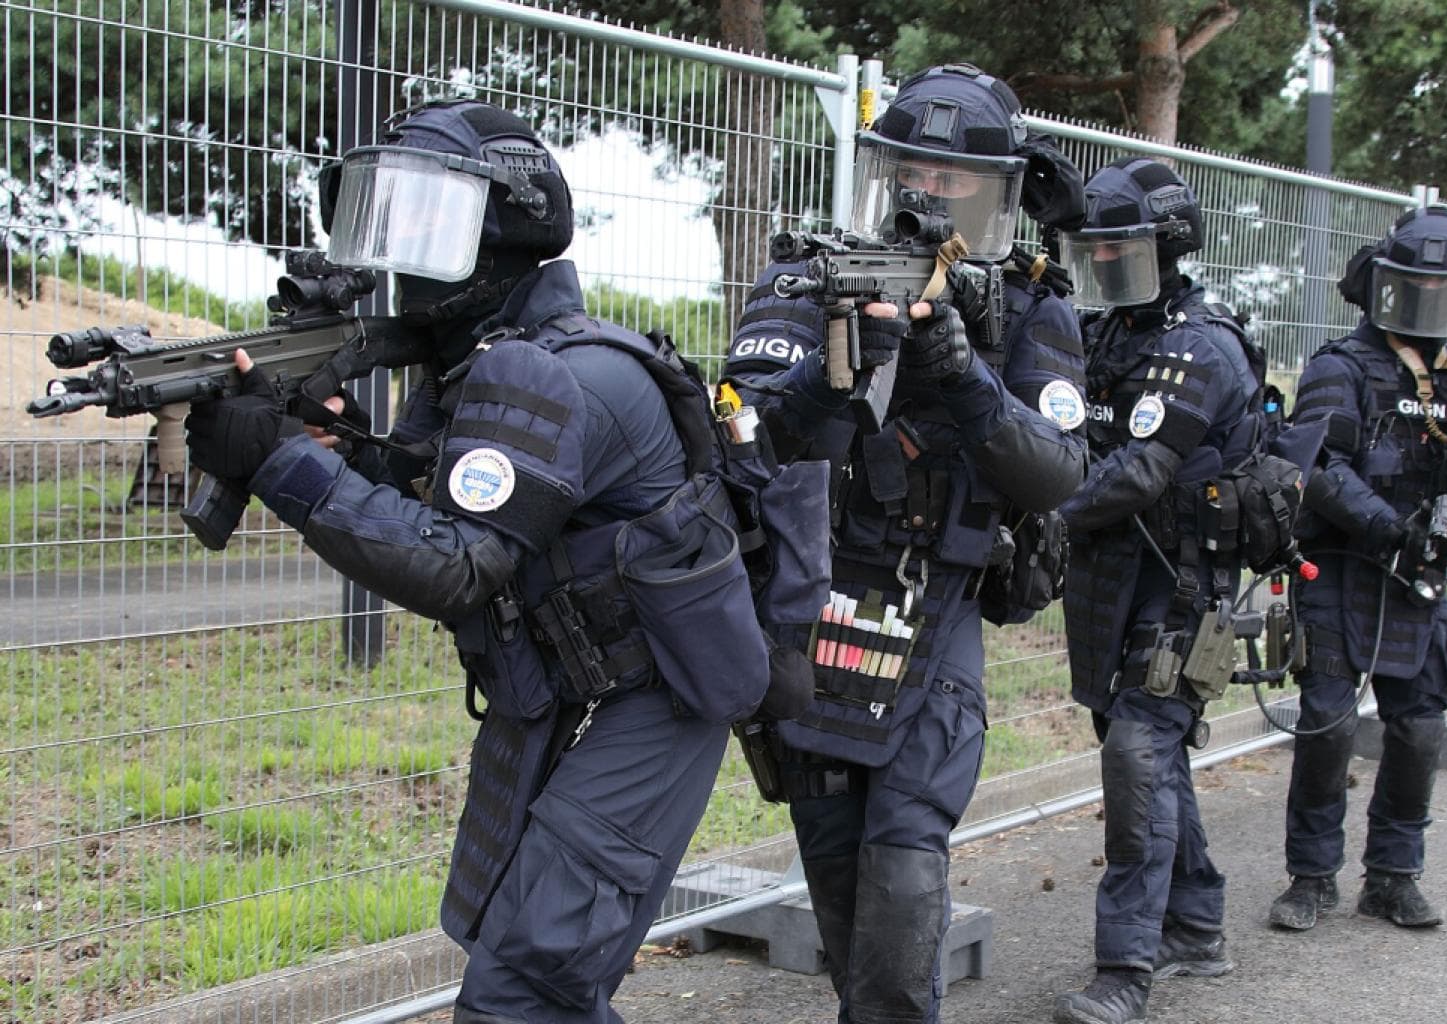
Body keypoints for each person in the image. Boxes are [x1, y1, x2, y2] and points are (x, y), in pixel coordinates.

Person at [184, 98, 780, 1024]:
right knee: (522, 959)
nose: (391, 253)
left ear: (499, 229)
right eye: (379, 218)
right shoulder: (480, 364)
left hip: (657, 700)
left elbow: (457, 564)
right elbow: (434, 503)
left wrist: (280, 461)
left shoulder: (554, 372)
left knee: (525, 983)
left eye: (421, 219)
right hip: (569, 691)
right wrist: (321, 444)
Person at [724, 63, 1089, 1024]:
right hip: (816, 608)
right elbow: (742, 441)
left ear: (997, 192)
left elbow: (1059, 473)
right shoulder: (811, 276)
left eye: (955, 180)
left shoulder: (1031, 308)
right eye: (912, 173)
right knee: (842, 871)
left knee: (903, 859)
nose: (928, 196)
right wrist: (830, 373)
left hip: (939, 608)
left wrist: (964, 376)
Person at [1269, 205, 1447, 932]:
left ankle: (1392, 874)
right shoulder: (1339, 368)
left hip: (1419, 587)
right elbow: (1315, 469)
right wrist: (1389, 529)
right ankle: (1311, 876)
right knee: (1327, 724)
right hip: (1342, 571)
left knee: (1417, 729)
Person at [1052, 158, 1261, 1024]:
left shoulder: (1197, 343)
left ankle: (1125, 969)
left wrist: (1043, 514)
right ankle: (1195, 923)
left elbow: (1139, 472)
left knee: (1136, 754)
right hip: (1110, 577)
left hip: (1182, 583)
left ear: (1166, 247)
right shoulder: (1104, 334)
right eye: (1092, 251)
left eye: (1119, 250)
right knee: (1148, 750)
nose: (1102, 265)